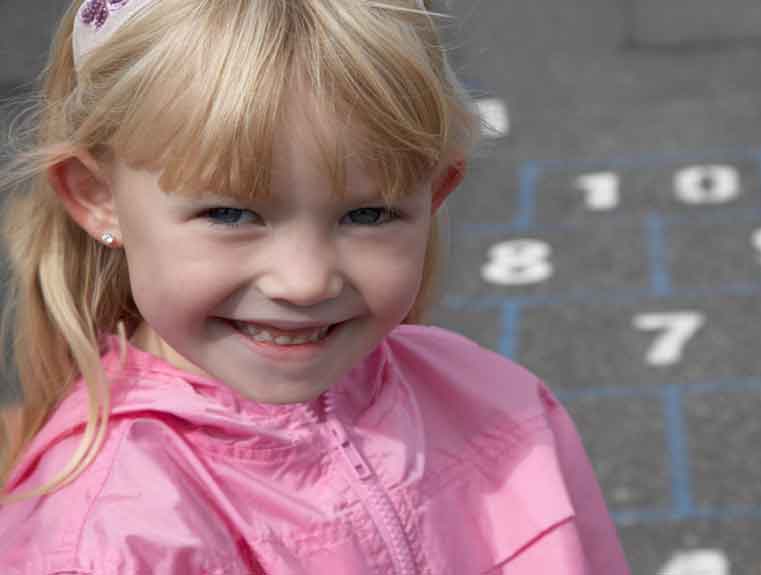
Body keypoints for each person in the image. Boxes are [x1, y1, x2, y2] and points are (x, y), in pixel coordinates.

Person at [0, 0, 631, 573]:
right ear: (99, 197)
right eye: (230, 213)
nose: (304, 282)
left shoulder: (497, 398)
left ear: (435, 195)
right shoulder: (110, 542)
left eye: (367, 214)